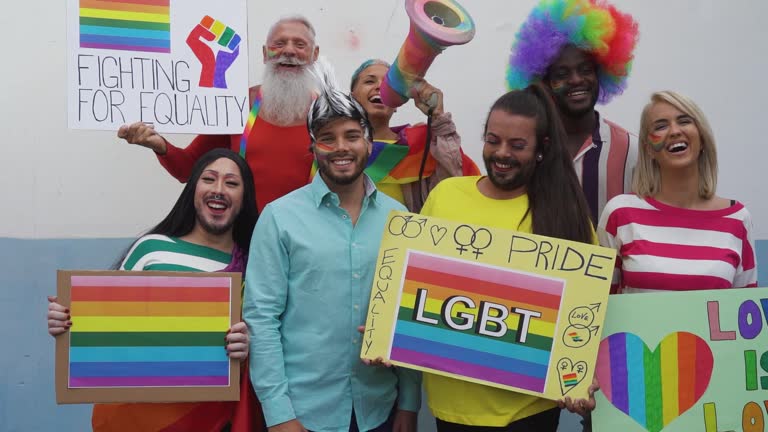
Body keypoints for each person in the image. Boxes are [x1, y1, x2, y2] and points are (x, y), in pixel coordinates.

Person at [243, 66, 420, 432]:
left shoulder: (399, 219)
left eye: (352, 136)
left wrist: (409, 404)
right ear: (313, 147)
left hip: (379, 410)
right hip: (304, 414)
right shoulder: (279, 218)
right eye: (327, 137)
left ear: (369, 143)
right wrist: (279, 415)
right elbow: (261, 320)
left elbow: (410, 313)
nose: (341, 147)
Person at [419, 84, 597, 432]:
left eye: (517, 146)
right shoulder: (446, 195)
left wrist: (580, 377)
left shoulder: (563, 213)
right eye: (492, 140)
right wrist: (386, 326)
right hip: (451, 406)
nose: (501, 153)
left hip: (529, 412)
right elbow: (412, 281)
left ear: (541, 149)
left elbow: (587, 309)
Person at [47, 149, 261, 432]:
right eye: (209, 179)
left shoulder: (255, 266)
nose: (219, 189)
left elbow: (266, 341)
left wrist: (247, 348)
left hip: (212, 419)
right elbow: (107, 324)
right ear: (193, 189)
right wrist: (66, 320)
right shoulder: (152, 249)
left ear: (244, 199)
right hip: (135, 417)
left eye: (232, 183)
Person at [118, 15, 320, 212]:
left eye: (300, 45)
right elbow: (186, 169)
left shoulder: (329, 114)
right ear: (265, 53)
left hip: (304, 238)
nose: (289, 51)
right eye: (279, 43)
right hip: (242, 237)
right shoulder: (238, 103)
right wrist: (160, 146)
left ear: (315, 54)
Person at [598, 91, 757, 294]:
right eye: (661, 126)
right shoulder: (619, 213)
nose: (674, 131)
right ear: (648, 148)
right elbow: (599, 304)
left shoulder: (738, 219)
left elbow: (745, 313)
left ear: (702, 137)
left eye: (684, 121)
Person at [507, 0, 640, 222]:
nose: (576, 79)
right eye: (561, 74)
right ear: (544, 83)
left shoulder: (631, 151)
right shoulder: (528, 145)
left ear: (601, 73)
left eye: (585, 69)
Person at [335, 58, 480, 211]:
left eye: (387, 85)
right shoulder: (334, 148)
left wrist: (438, 117)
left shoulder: (419, 145)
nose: (379, 87)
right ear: (351, 98)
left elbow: (455, 181)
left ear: (397, 102)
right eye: (369, 81)